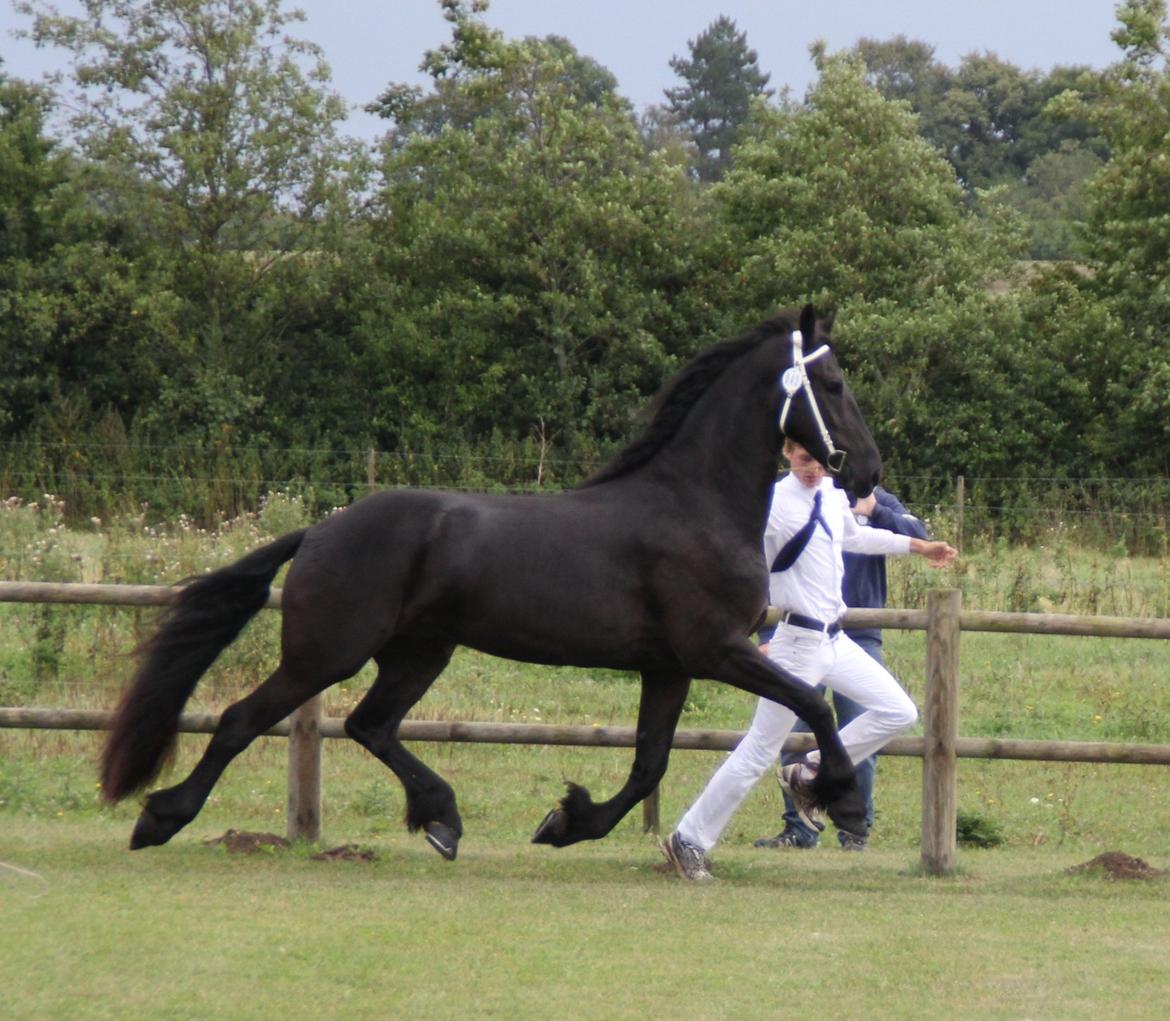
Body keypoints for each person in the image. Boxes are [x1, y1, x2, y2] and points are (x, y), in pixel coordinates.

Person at [661, 439, 957, 882]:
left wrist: (919, 547)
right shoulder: (773, 504)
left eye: (819, 463)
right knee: (760, 749)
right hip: (797, 645)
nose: (813, 470)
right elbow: (736, 560)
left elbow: (856, 536)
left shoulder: (833, 496)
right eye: (804, 460)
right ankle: (689, 840)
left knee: (898, 710)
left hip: (835, 642)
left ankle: (811, 770)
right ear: (786, 452)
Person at [754, 485, 928, 852]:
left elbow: (917, 536)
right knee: (794, 733)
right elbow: (771, 563)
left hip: (859, 637)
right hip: (799, 635)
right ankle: (799, 829)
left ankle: (854, 831)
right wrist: (768, 633)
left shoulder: (878, 499)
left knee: (859, 733)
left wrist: (875, 509)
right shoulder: (792, 499)